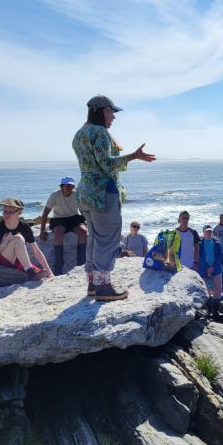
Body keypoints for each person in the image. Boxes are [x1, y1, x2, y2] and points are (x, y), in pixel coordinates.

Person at [72, 95, 155, 301]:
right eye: (111, 112)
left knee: (95, 238)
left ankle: (92, 283)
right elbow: (106, 164)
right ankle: (103, 287)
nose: (114, 117)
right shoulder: (100, 132)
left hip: (85, 193)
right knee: (107, 240)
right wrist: (133, 156)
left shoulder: (79, 133)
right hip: (102, 192)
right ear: (101, 111)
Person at [0, 198, 53, 281]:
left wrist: (50, 272)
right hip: (0, 264)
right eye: (5, 211)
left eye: (10, 211)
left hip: (17, 262)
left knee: (45, 274)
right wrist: (3, 244)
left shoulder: (24, 227)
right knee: (18, 238)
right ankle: (30, 273)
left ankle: (29, 272)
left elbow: (36, 251)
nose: (6, 214)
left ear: (20, 212)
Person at [39, 176, 87, 275]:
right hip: (59, 219)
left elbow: (83, 210)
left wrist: (87, 223)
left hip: (73, 217)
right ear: (62, 186)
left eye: (71, 186)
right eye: (67, 185)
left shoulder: (77, 194)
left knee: (83, 231)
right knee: (59, 233)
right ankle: (59, 264)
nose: (69, 187)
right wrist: (42, 230)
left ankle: (81, 262)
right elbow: (45, 213)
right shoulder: (55, 195)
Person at [199, 225, 223, 321]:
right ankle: (209, 311)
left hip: (216, 270)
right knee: (207, 291)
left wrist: (213, 267)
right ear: (203, 232)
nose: (209, 233)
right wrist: (207, 268)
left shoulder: (217, 242)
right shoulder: (200, 243)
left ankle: (216, 311)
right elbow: (199, 257)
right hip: (204, 271)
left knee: (218, 290)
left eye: (210, 231)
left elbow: (220, 257)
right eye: (207, 231)